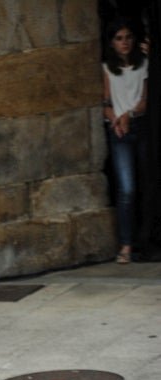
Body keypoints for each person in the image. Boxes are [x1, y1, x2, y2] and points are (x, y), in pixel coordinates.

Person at [102, 17, 149, 264]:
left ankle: (143, 240)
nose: (124, 43)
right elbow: (106, 101)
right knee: (127, 188)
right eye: (119, 38)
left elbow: (144, 100)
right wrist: (116, 119)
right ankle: (126, 244)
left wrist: (128, 116)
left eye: (128, 37)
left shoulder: (143, 66)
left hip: (138, 127)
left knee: (144, 184)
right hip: (119, 131)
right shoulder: (108, 68)